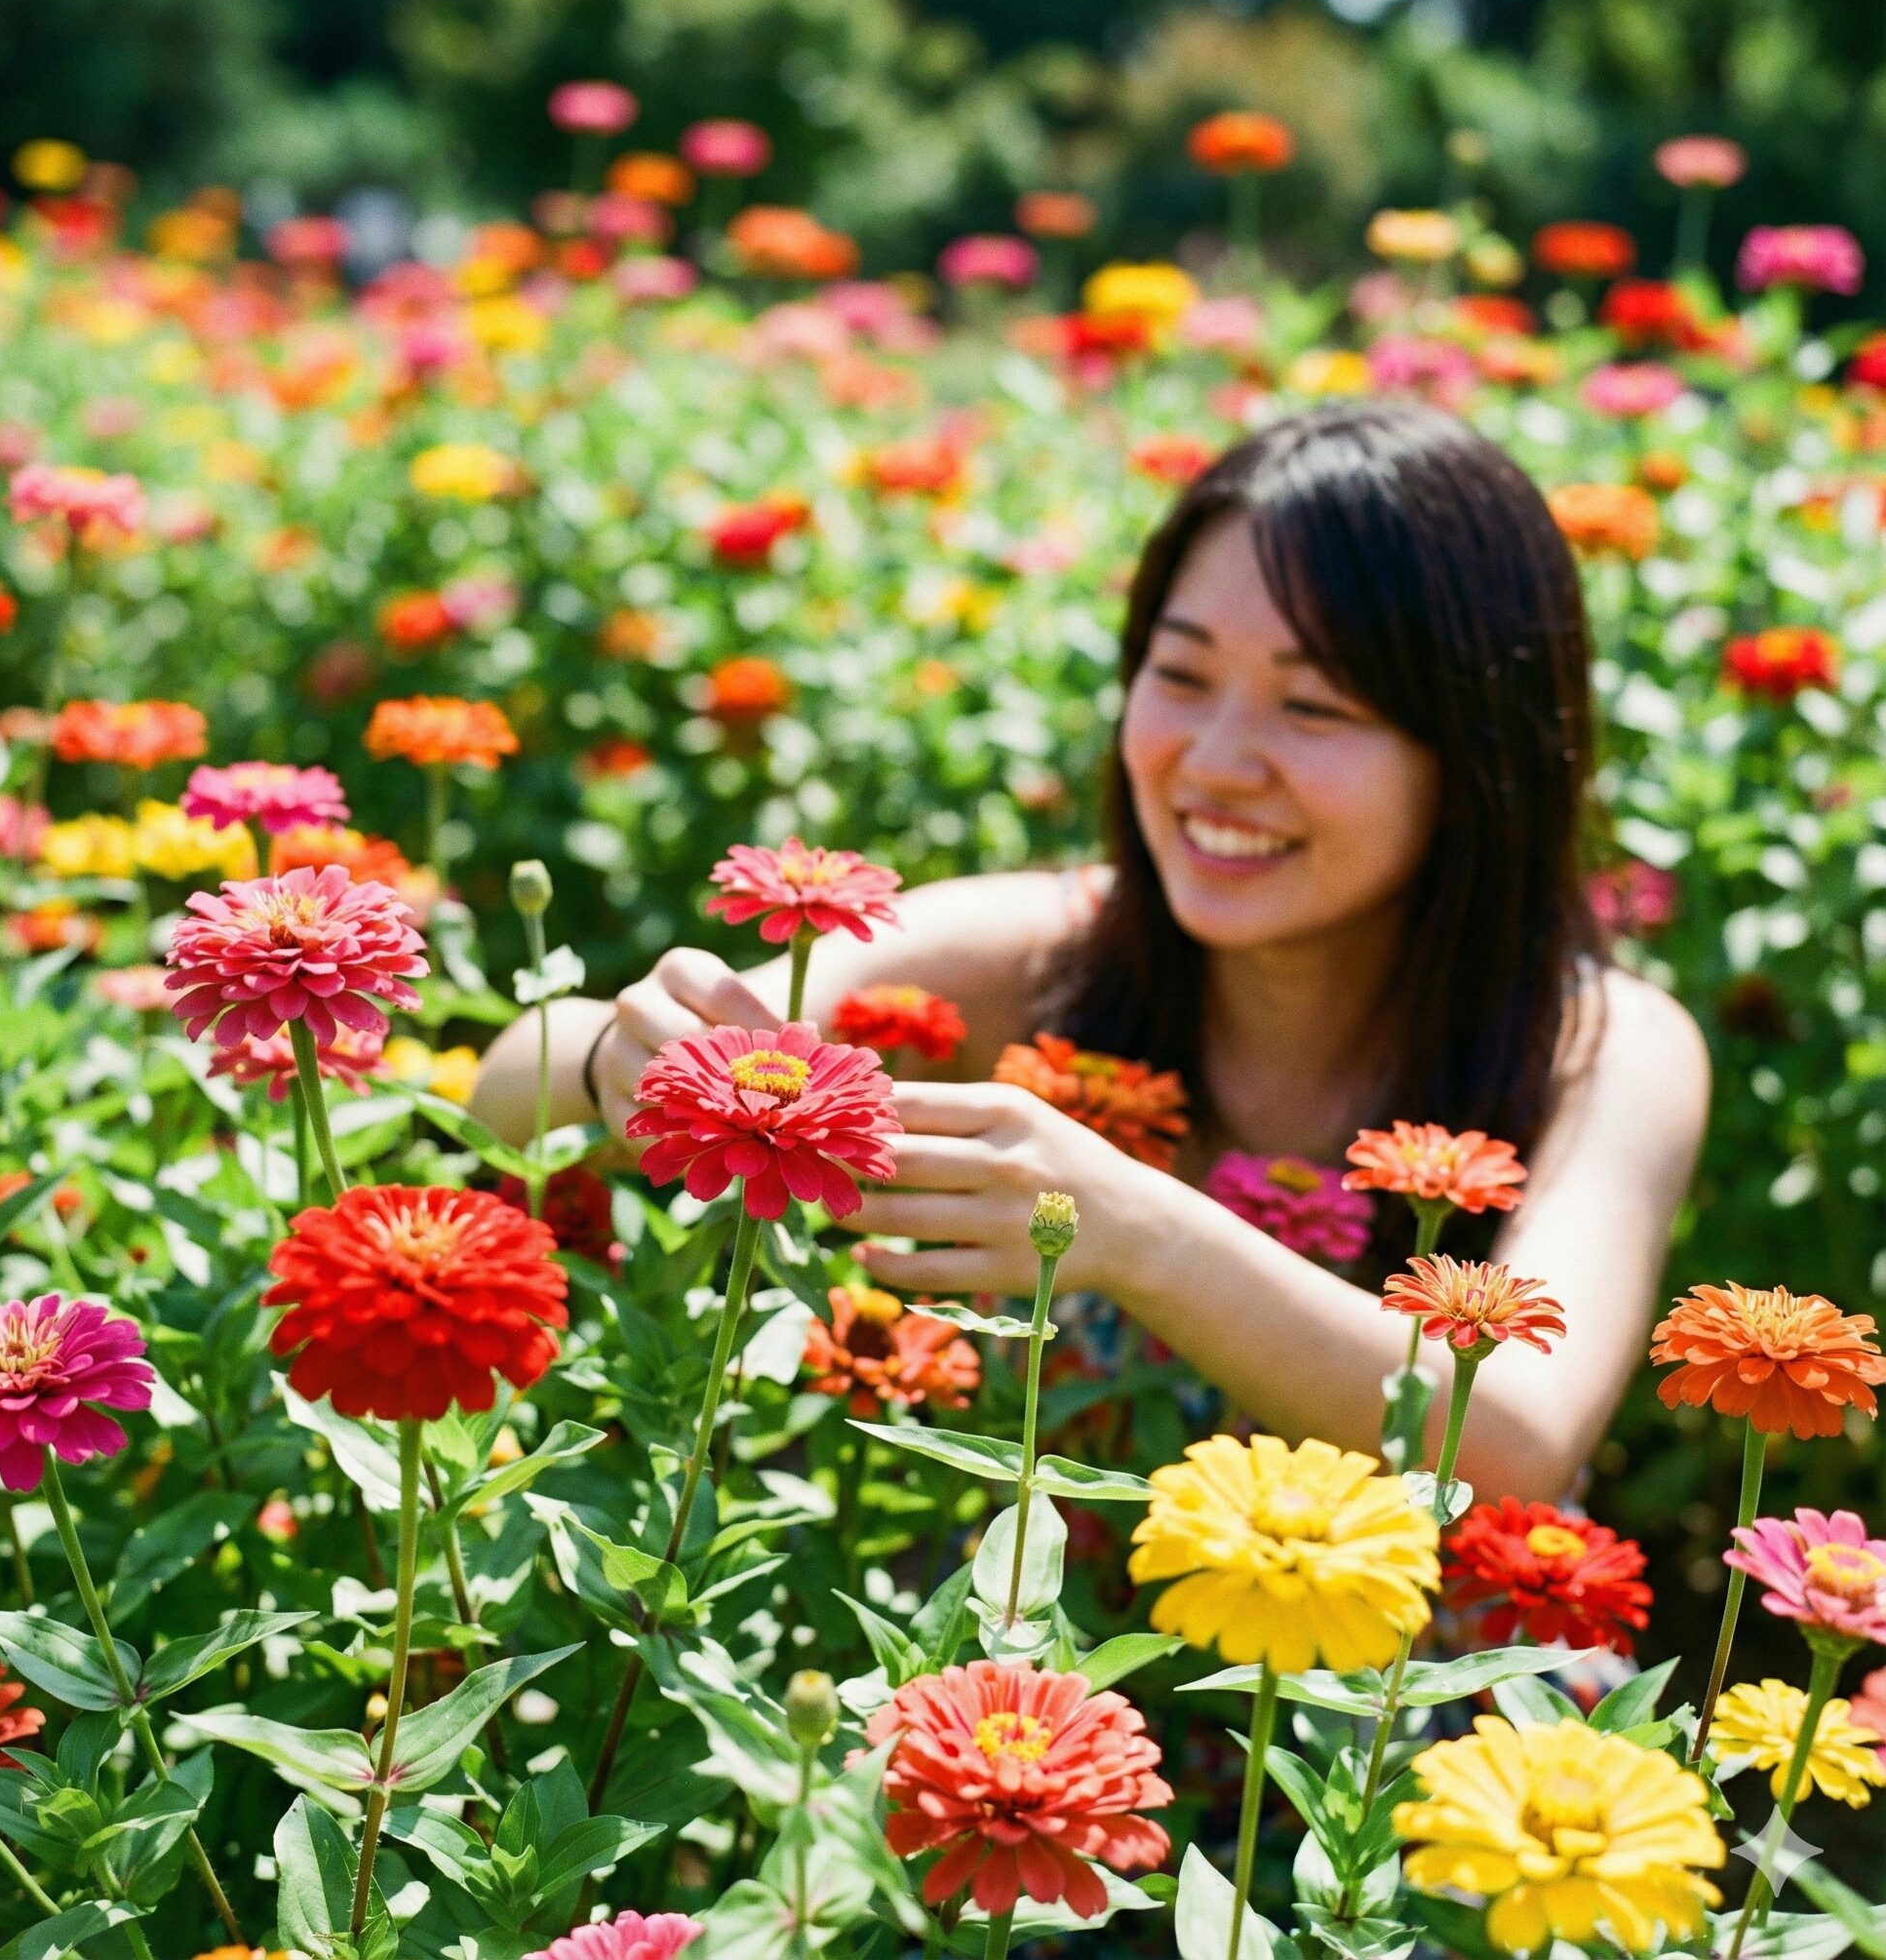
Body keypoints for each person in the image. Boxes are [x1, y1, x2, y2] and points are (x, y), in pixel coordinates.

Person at [474, 399, 1709, 1502]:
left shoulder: (1602, 1047)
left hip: (1398, 1734)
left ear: (1474, 752)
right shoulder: (1038, 949)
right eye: (1179, 675)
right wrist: (618, 1059)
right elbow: (505, 1084)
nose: (1215, 759)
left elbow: (1514, 1438)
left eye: (1313, 704)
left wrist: (1132, 1228)